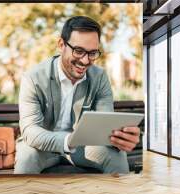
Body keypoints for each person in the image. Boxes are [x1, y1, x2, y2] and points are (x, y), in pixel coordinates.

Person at [14, 16, 140, 174]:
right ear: (61, 45)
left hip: (83, 147)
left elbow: (104, 125)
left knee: (116, 156)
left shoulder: (99, 77)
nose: (86, 61)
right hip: (41, 148)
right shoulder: (33, 78)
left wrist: (120, 139)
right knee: (27, 157)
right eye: (79, 51)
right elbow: (31, 131)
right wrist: (68, 141)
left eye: (92, 53)